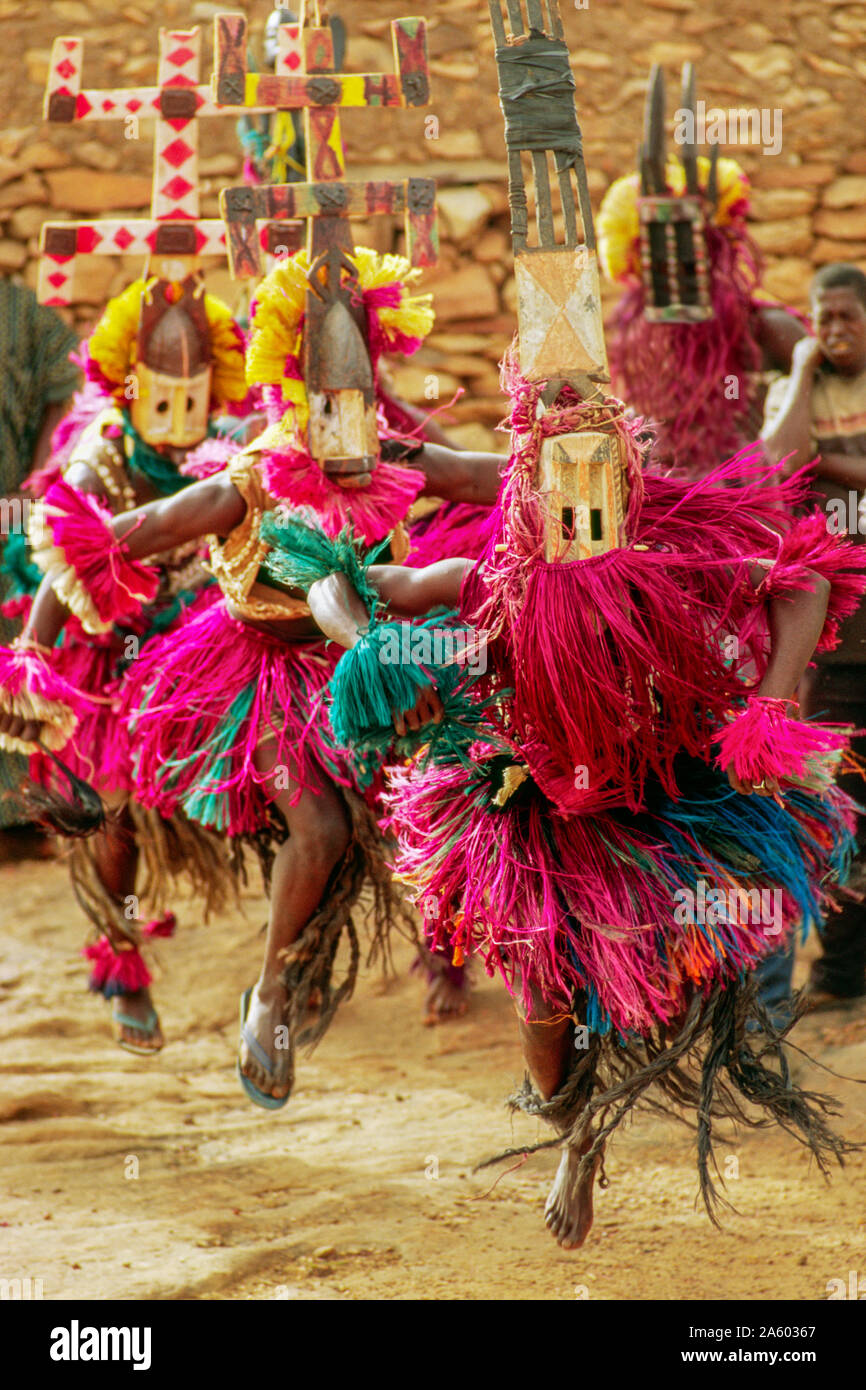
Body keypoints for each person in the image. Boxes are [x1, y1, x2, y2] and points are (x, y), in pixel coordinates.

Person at [0, 247, 506, 1108]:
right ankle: (266, 992)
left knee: (463, 776)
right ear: (294, 396)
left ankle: (458, 958)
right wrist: (33, 661)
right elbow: (97, 545)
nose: (347, 432)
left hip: (365, 656)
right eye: (327, 407)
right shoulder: (243, 481)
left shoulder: (392, 450)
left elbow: (480, 475)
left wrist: (589, 466)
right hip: (255, 673)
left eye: (358, 404)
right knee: (314, 825)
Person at [0, 272, 250, 1053]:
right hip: (108, 638)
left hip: (206, 630)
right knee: (114, 807)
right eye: (161, 399)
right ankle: (123, 954)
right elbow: (58, 568)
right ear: (129, 385)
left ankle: (285, 976)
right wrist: (32, 660)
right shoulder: (97, 462)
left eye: (194, 397)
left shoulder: (230, 446)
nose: (178, 422)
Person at [597, 66, 806, 474]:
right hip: (671, 507)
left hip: (755, 503)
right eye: (660, 253)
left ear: (717, 251)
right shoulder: (640, 346)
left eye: (693, 254)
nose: (676, 269)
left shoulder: (765, 329)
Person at [761, 261, 866, 1009]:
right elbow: (775, 464)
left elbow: (803, 465)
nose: (832, 331)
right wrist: (800, 364)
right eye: (820, 319)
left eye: (846, 318)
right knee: (840, 813)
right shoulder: (794, 388)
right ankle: (841, 973)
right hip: (838, 649)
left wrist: (823, 466)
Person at [0, 279, 80, 830]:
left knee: (13, 625)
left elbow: (63, 380)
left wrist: (32, 484)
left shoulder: (18, 310)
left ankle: (23, 805)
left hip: (9, 502)